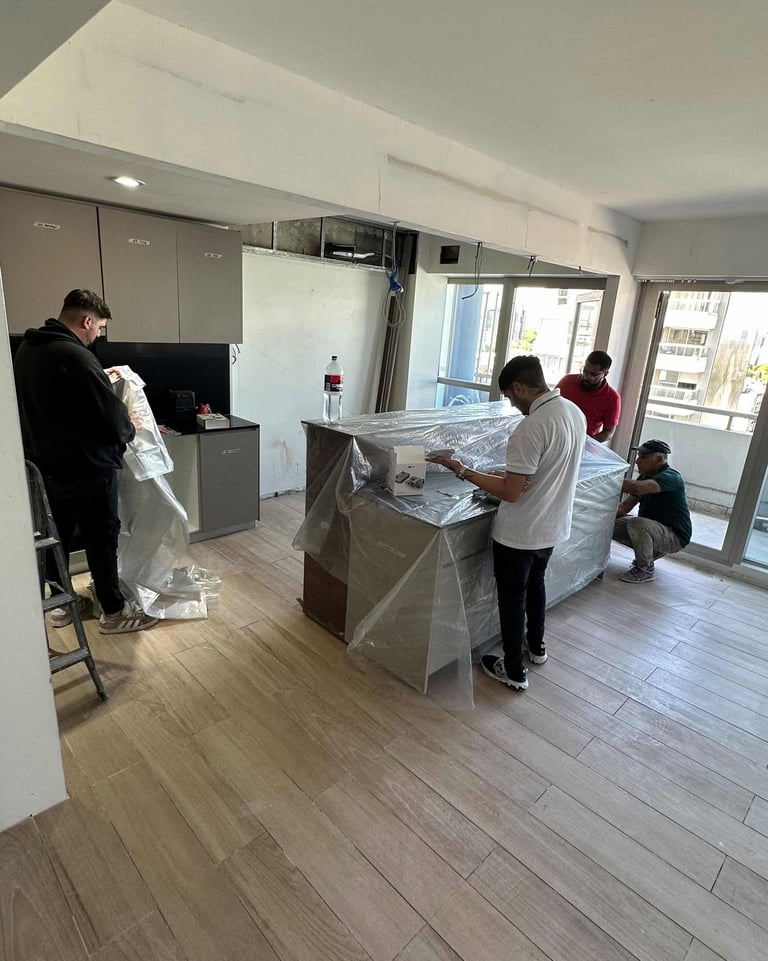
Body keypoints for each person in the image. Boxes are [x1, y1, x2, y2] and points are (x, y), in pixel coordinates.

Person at [434, 355, 585, 691]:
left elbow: (512, 492)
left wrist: (463, 470)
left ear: (519, 387)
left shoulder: (531, 427)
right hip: (552, 526)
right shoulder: (573, 412)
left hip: (521, 532)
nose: (512, 405)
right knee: (536, 586)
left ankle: (515, 671)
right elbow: (539, 472)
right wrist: (498, 474)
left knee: (513, 599)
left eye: (510, 396)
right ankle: (537, 648)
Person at [13, 289, 158, 635]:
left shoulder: (29, 350)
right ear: (87, 320)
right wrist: (129, 424)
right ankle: (114, 611)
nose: (99, 335)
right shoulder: (76, 356)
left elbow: (61, 401)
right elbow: (112, 421)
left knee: (57, 538)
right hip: (88, 468)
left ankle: (61, 605)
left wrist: (98, 379)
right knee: (101, 537)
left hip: (45, 468)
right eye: (100, 327)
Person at [613, 438, 692, 583]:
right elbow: (624, 507)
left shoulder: (672, 477)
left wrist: (607, 480)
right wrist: (600, 518)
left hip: (674, 536)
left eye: (643, 457)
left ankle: (645, 569)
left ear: (659, 459)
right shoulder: (645, 477)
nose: (637, 461)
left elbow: (637, 488)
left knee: (637, 523)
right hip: (656, 531)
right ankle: (650, 553)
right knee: (610, 523)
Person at [557, 350, 621, 442]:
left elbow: (608, 433)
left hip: (584, 442)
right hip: (556, 435)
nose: (587, 377)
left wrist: (585, 443)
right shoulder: (567, 381)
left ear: (605, 374)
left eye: (593, 374)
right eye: (585, 371)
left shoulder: (612, 398)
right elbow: (549, 405)